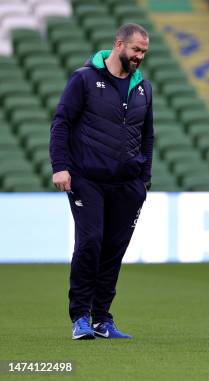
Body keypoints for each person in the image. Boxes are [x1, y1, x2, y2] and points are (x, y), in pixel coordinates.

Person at [49, 23, 154, 340]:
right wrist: (60, 166)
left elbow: (147, 137)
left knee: (113, 250)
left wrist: (143, 180)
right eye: (136, 50)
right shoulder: (84, 79)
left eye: (144, 52)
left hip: (127, 184)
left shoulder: (142, 88)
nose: (139, 57)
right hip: (87, 179)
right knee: (91, 242)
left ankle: (102, 319)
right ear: (119, 44)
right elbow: (62, 122)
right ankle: (80, 316)